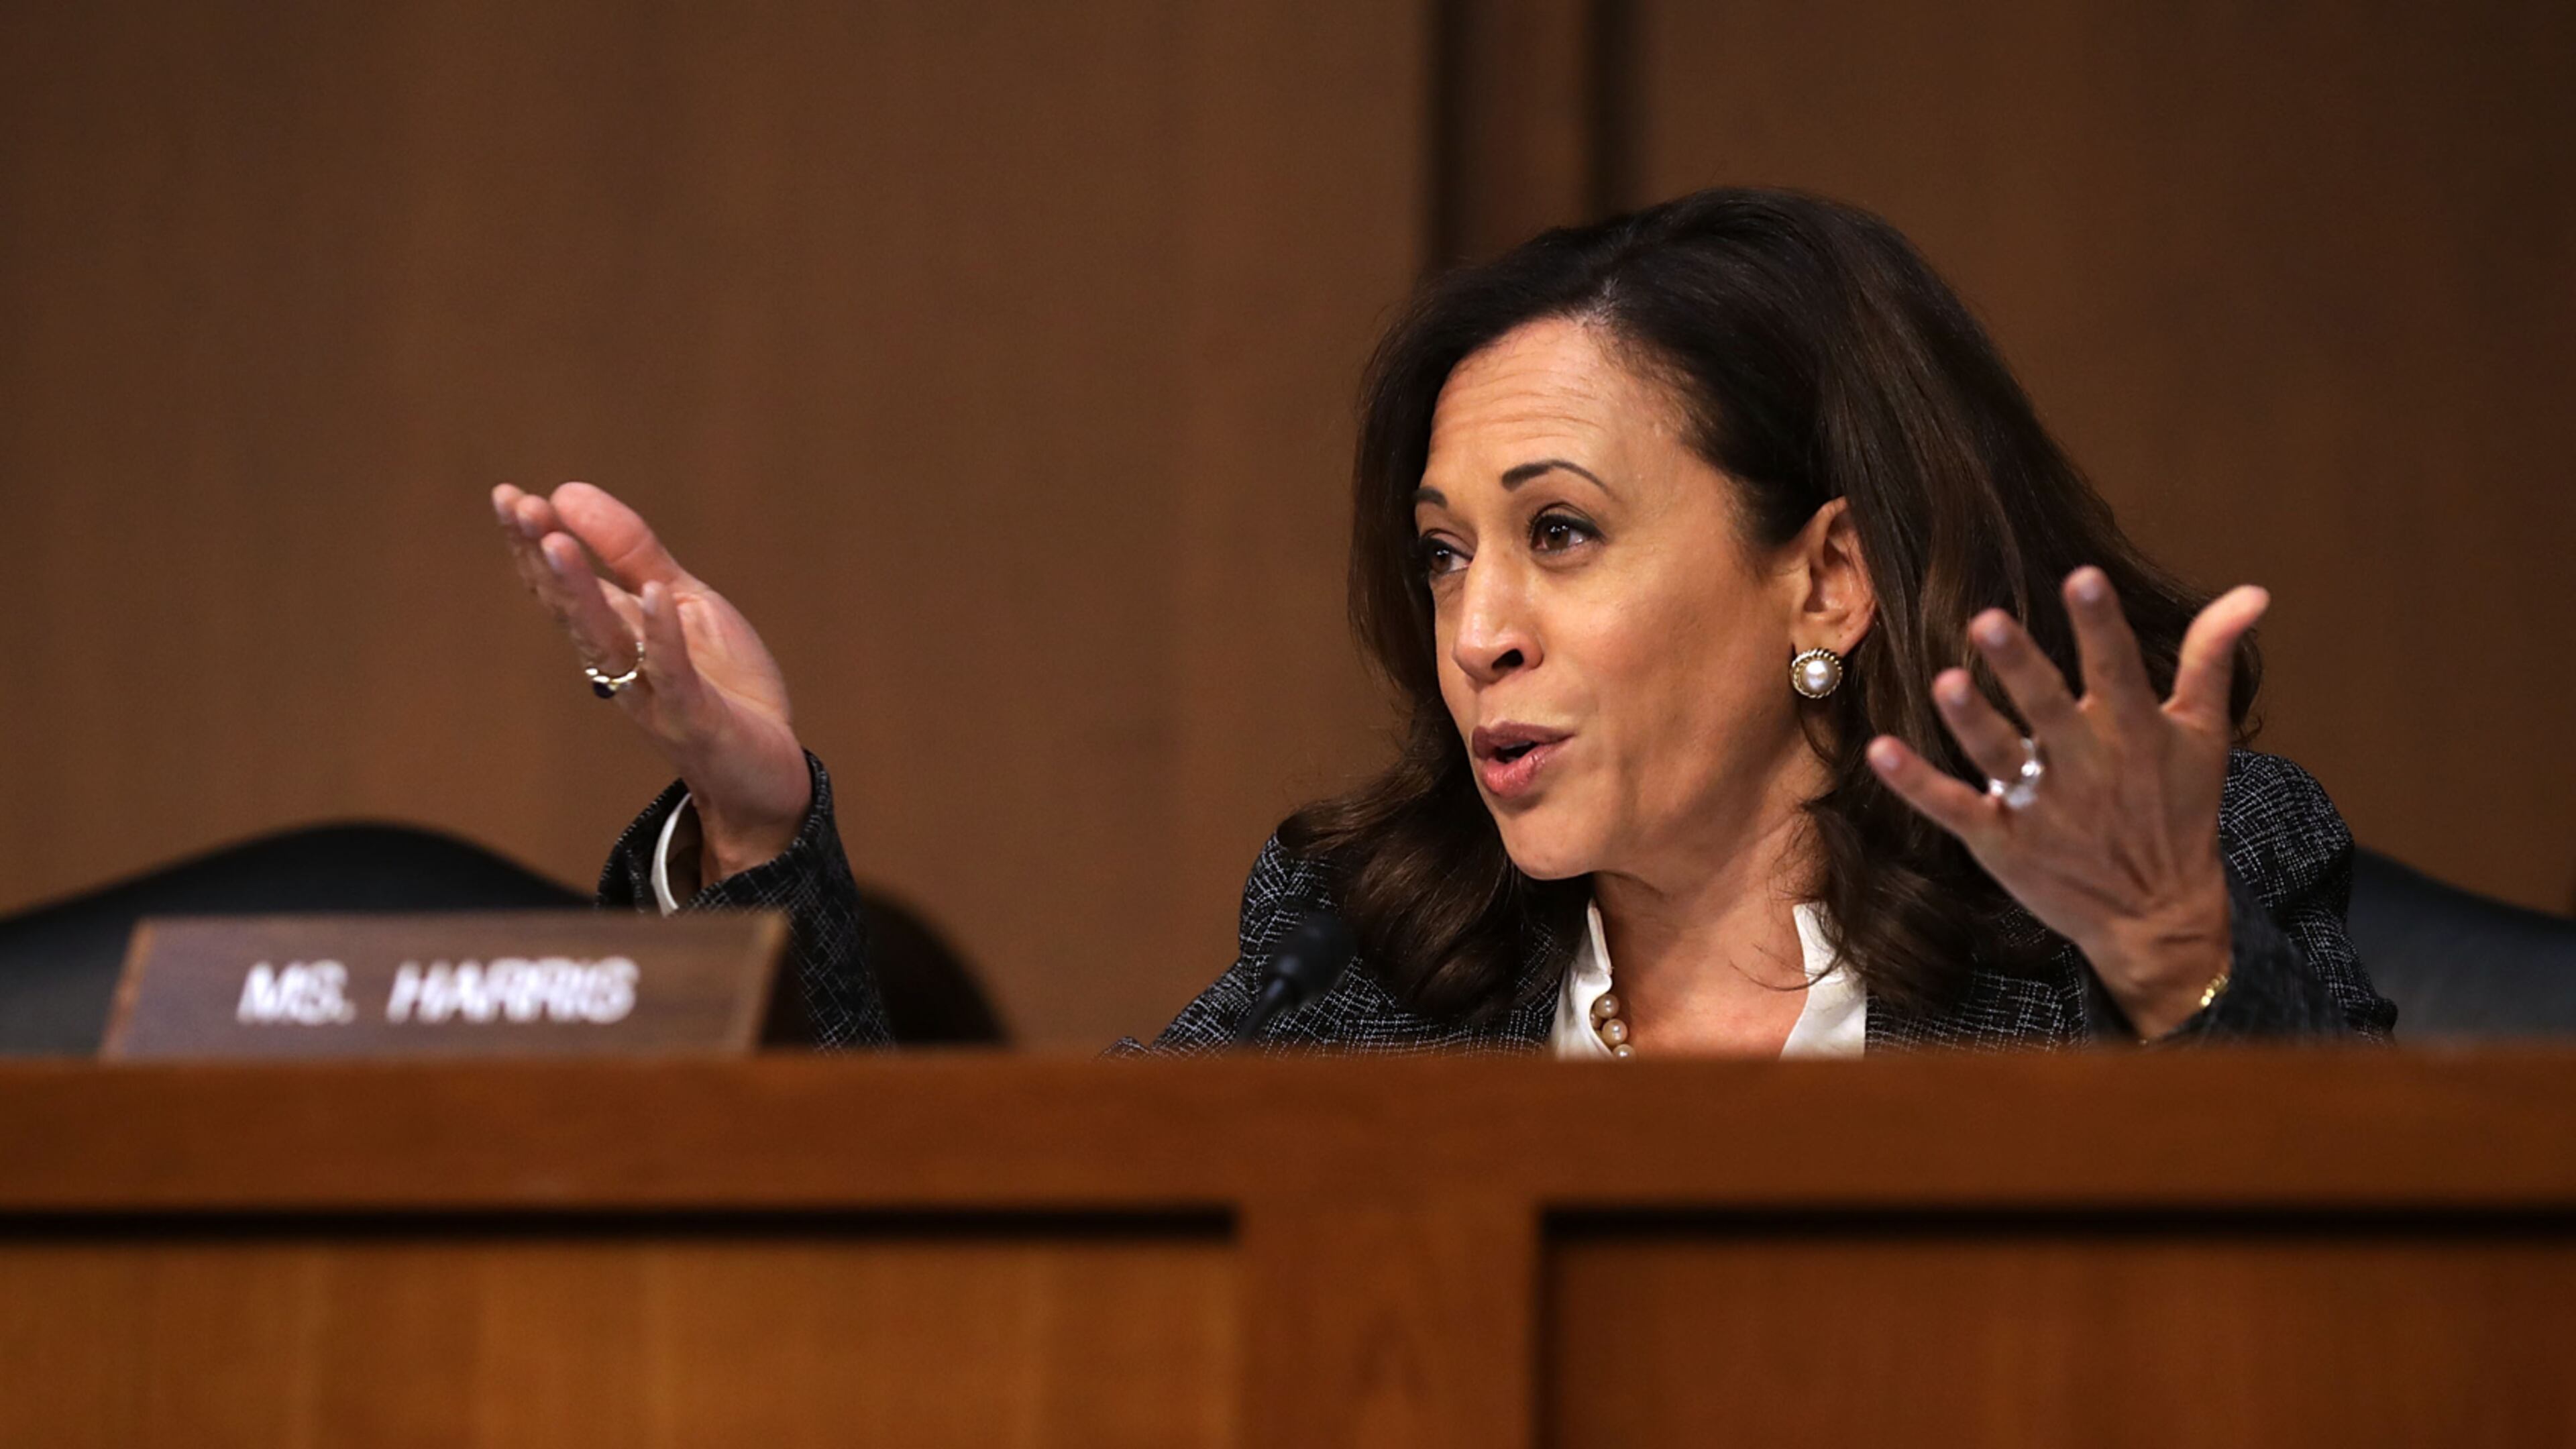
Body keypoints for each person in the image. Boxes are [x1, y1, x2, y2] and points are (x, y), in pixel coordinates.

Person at [491, 187, 2394, 1055]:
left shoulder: (2154, 910)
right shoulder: (1367, 958)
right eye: (1439, 554)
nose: (1471, 629)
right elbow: (963, 1299)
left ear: (1823, 575)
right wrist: (751, 816)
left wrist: (2166, 957)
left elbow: (2383, 1343)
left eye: (1558, 537)